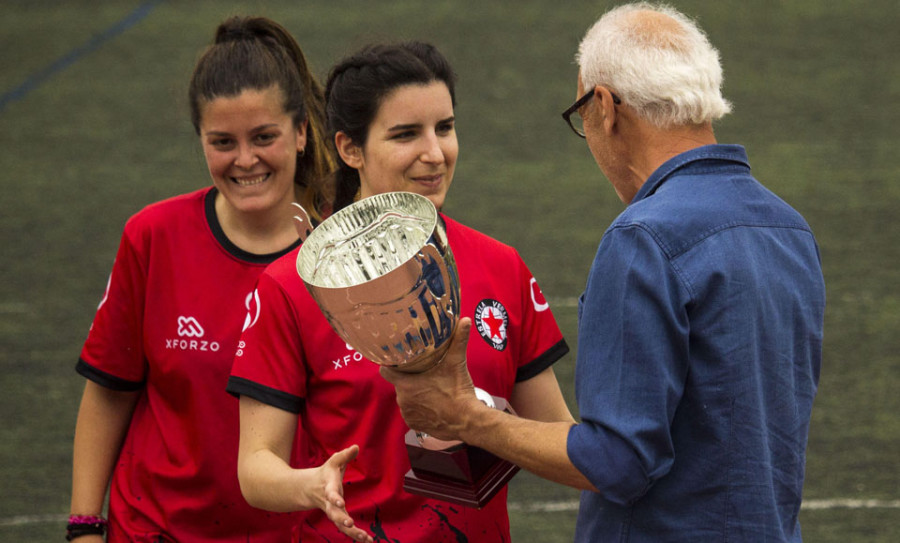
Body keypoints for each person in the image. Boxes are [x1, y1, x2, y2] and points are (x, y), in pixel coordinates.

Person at [381, 3, 826, 542]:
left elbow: (619, 461)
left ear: (607, 106)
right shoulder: (790, 229)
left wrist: (467, 419)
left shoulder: (643, 239)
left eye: (581, 116)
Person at [226, 41, 574, 542]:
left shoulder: (503, 266)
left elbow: (560, 439)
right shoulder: (290, 287)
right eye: (406, 134)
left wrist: (486, 426)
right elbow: (256, 467)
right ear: (350, 149)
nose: (435, 154)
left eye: (446, 128)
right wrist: (310, 486)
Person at [68, 16, 344, 542]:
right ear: (200, 139)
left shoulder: (345, 248)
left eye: (264, 137)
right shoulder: (153, 237)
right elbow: (109, 391)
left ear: (302, 132)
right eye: (222, 142)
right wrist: (84, 526)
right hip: (156, 531)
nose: (245, 161)